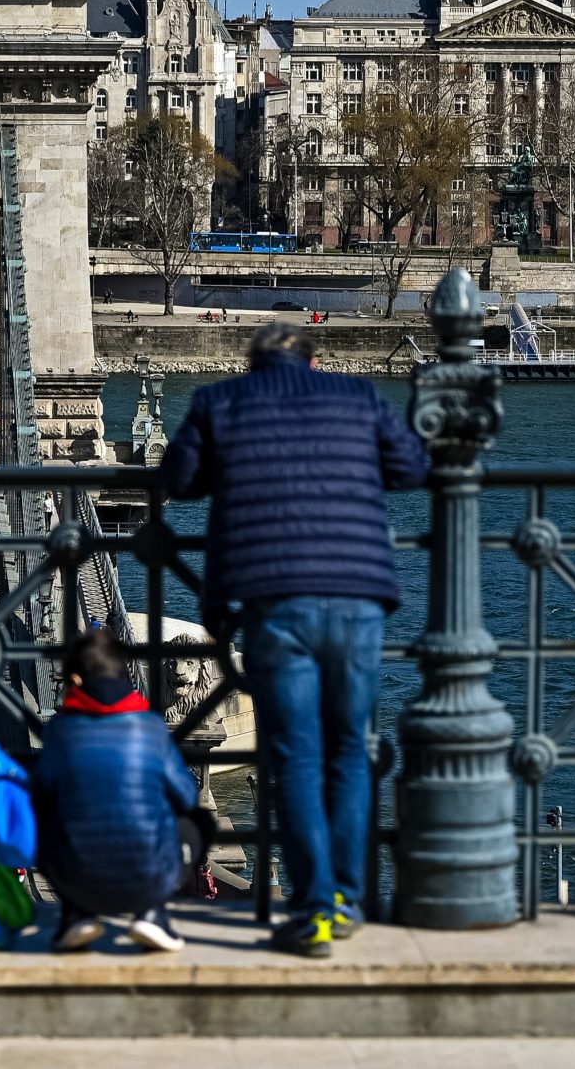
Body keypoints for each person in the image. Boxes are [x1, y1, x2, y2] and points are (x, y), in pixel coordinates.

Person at [159, 321, 429, 958]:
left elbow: (178, 478)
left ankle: (313, 909)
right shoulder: (357, 398)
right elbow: (412, 467)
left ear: (253, 364)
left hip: (275, 599)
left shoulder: (221, 402)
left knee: (296, 758)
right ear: (313, 360)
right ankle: (346, 897)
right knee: (347, 748)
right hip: (358, 598)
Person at [31, 627, 201, 954]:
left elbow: (40, 794)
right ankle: (153, 912)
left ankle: (76, 913)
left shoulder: (60, 729)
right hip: (149, 879)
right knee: (199, 824)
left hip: (75, 878)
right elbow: (187, 796)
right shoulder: (151, 725)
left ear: (76, 681)